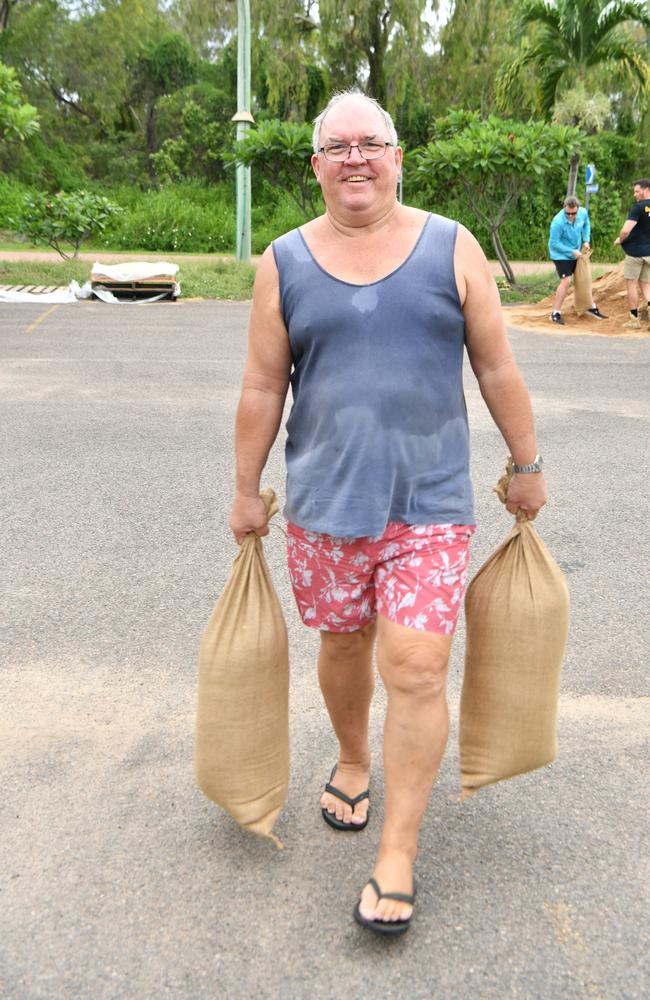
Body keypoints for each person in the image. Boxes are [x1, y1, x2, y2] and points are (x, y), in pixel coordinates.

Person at [229, 90, 548, 937]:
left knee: (413, 665)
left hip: (430, 506)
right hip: (327, 505)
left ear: (399, 155)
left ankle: (398, 850)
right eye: (339, 146)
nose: (357, 158)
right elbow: (265, 385)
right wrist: (243, 486)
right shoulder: (284, 261)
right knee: (341, 645)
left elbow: (496, 365)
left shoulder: (451, 247)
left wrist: (527, 463)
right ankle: (353, 755)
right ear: (317, 165)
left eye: (373, 142)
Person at [548, 196, 607, 325]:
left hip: (577, 252)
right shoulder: (557, 222)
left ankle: (590, 307)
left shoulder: (583, 213)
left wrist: (586, 240)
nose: (571, 216)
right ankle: (555, 313)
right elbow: (553, 243)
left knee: (584, 279)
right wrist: (571, 251)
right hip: (561, 255)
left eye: (573, 213)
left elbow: (586, 224)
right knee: (566, 281)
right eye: (568, 213)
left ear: (578, 209)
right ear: (564, 208)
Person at [613, 178, 650, 330]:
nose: (635, 194)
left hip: (635, 253)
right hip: (649, 253)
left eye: (637, 191)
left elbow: (626, 230)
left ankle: (634, 319)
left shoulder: (638, 208)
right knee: (646, 284)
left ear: (646, 189)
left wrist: (620, 240)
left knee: (632, 284)